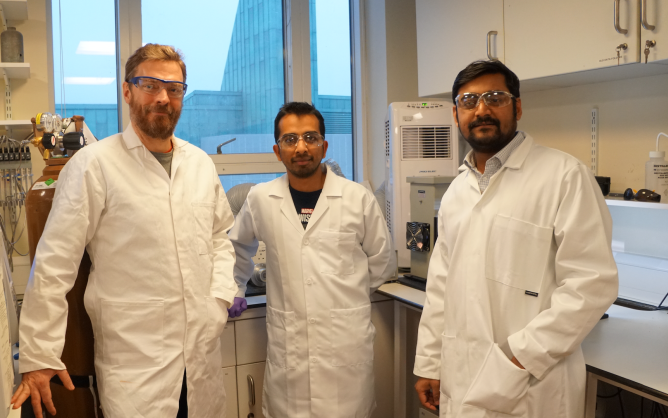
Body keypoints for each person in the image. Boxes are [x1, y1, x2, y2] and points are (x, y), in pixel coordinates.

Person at [12, 44, 237, 418]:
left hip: (200, 355)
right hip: (135, 366)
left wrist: (217, 301)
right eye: (150, 85)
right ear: (128, 91)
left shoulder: (199, 163)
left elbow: (219, 240)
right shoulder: (94, 165)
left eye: (174, 88)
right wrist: (38, 354)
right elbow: (53, 264)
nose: (163, 97)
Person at [413, 60, 619, 418]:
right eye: (469, 101)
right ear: (455, 113)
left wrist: (519, 357)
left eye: (495, 97)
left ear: (518, 106)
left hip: (530, 383)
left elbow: (592, 285)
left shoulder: (564, 176)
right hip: (460, 375)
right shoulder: (457, 191)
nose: (481, 110)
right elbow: (440, 286)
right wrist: (430, 362)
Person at [228, 102, 396, 418]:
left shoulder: (356, 197)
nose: (301, 147)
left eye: (310, 137)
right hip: (289, 353)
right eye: (290, 139)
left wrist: (344, 295)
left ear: (324, 145)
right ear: (277, 151)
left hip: (345, 350)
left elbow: (382, 261)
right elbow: (237, 247)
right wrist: (235, 288)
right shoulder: (261, 198)